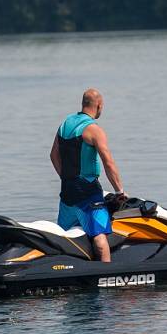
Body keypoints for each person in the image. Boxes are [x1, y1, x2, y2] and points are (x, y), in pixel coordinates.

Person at [49, 88, 126, 262]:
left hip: (67, 192)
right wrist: (120, 191)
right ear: (99, 105)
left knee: (65, 237)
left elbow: (53, 155)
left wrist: (67, 178)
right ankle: (107, 275)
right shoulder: (93, 129)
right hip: (88, 193)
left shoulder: (65, 124)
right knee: (99, 237)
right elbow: (108, 162)